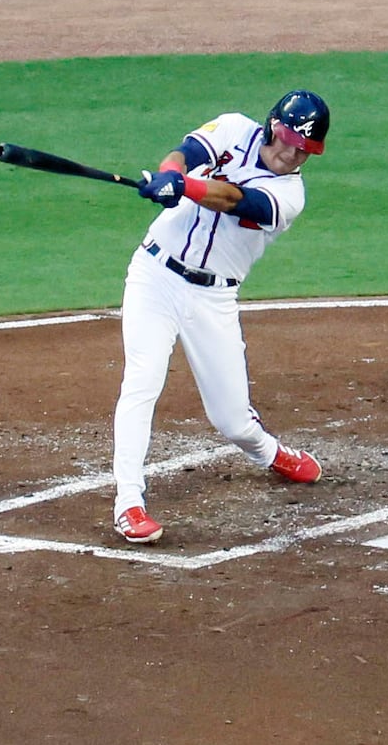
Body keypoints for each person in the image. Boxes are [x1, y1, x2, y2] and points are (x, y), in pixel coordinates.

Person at [110, 89, 331, 544]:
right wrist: (170, 174)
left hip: (213, 298)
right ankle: (129, 503)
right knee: (142, 380)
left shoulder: (289, 195)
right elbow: (188, 152)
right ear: (273, 125)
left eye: (304, 150)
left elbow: (235, 200)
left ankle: (269, 452)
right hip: (155, 275)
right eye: (288, 140)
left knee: (232, 421)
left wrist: (185, 187)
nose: (292, 154)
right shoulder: (232, 127)